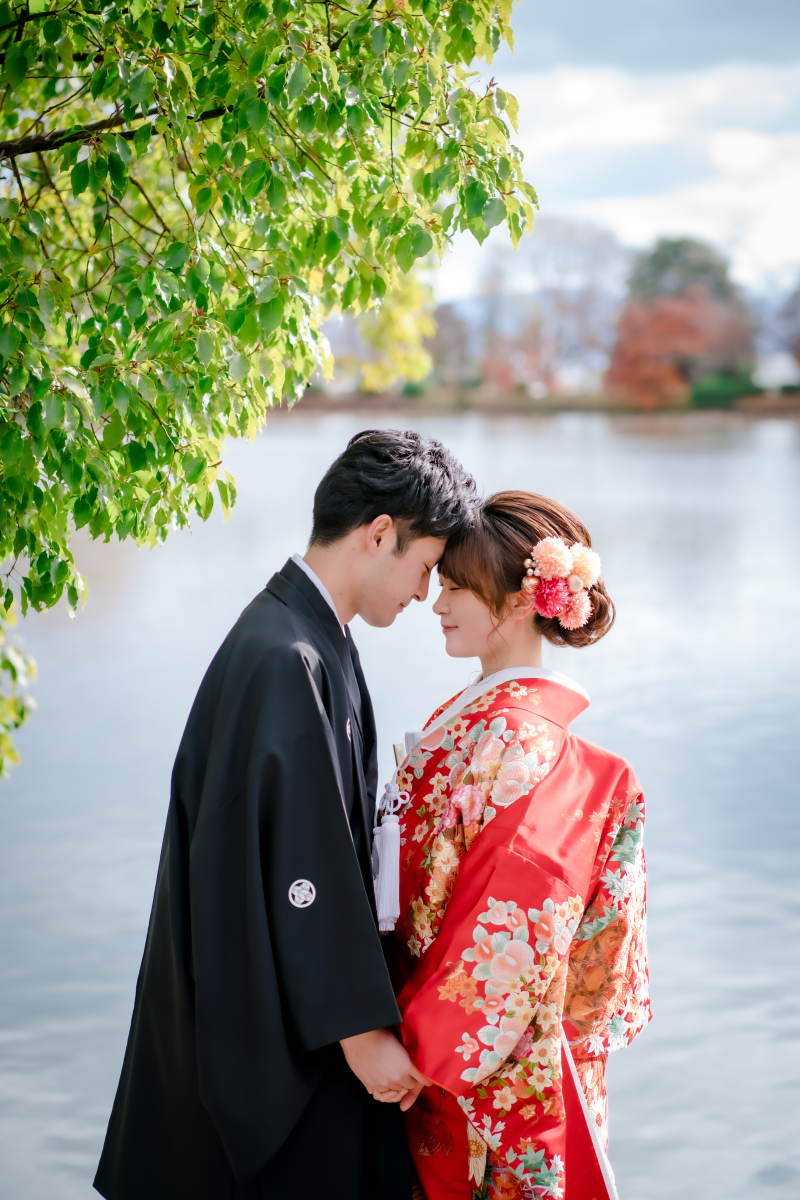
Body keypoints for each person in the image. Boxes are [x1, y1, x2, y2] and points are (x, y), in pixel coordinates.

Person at [93, 429, 478, 1200]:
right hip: (263, 1031)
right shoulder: (283, 656)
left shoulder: (306, 636)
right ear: (379, 534)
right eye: (426, 566)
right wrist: (360, 1033)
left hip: (271, 997)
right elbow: (301, 864)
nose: (423, 594)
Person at [384, 491, 651, 1200]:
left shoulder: (524, 740)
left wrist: (414, 1047)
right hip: (446, 1031)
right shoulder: (480, 718)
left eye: (455, 589)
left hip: (484, 1063)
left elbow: (519, 918)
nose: (436, 604)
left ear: (520, 600)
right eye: (439, 583)